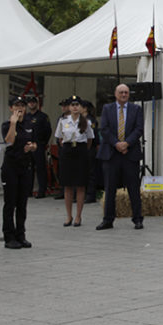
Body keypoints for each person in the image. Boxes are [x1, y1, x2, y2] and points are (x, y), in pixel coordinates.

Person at [97, 83, 145, 230]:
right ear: (116, 94)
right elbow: (104, 129)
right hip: (111, 154)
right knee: (110, 188)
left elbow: (139, 129)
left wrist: (127, 144)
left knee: (133, 189)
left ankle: (138, 219)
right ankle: (108, 220)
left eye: (126, 92)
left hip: (130, 154)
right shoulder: (107, 109)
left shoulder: (136, 109)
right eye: (121, 92)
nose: (124, 95)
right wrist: (117, 144)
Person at [1, 96, 36, 248]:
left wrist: (33, 147)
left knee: (22, 203)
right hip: (11, 168)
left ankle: (21, 235)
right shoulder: (7, 124)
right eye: (16, 106)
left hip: (25, 167)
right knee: (10, 203)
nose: (20, 108)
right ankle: (9, 237)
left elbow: (34, 142)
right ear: (11, 108)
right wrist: (14, 123)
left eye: (22, 105)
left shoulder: (28, 124)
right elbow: (9, 141)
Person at [55, 95, 95, 227]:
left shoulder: (86, 122)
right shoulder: (63, 121)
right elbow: (60, 139)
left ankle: (78, 215)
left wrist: (81, 149)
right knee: (67, 185)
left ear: (81, 107)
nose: (75, 107)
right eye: (72, 105)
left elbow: (89, 140)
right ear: (69, 107)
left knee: (80, 185)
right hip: (67, 152)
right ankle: (68, 216)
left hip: (81, 151)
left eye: (77, 105)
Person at [24, 95, 52, 198]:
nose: (31, 104)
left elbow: (48, 131)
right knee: (28, 169)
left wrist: (43, 143)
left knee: (41, 169)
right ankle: (28, 191)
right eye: (30, 102)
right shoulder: (25, 117)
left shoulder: (43, 116)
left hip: (39, 145)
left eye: (33, 102)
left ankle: (41, 191)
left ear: (37, 103)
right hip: (28, 146)